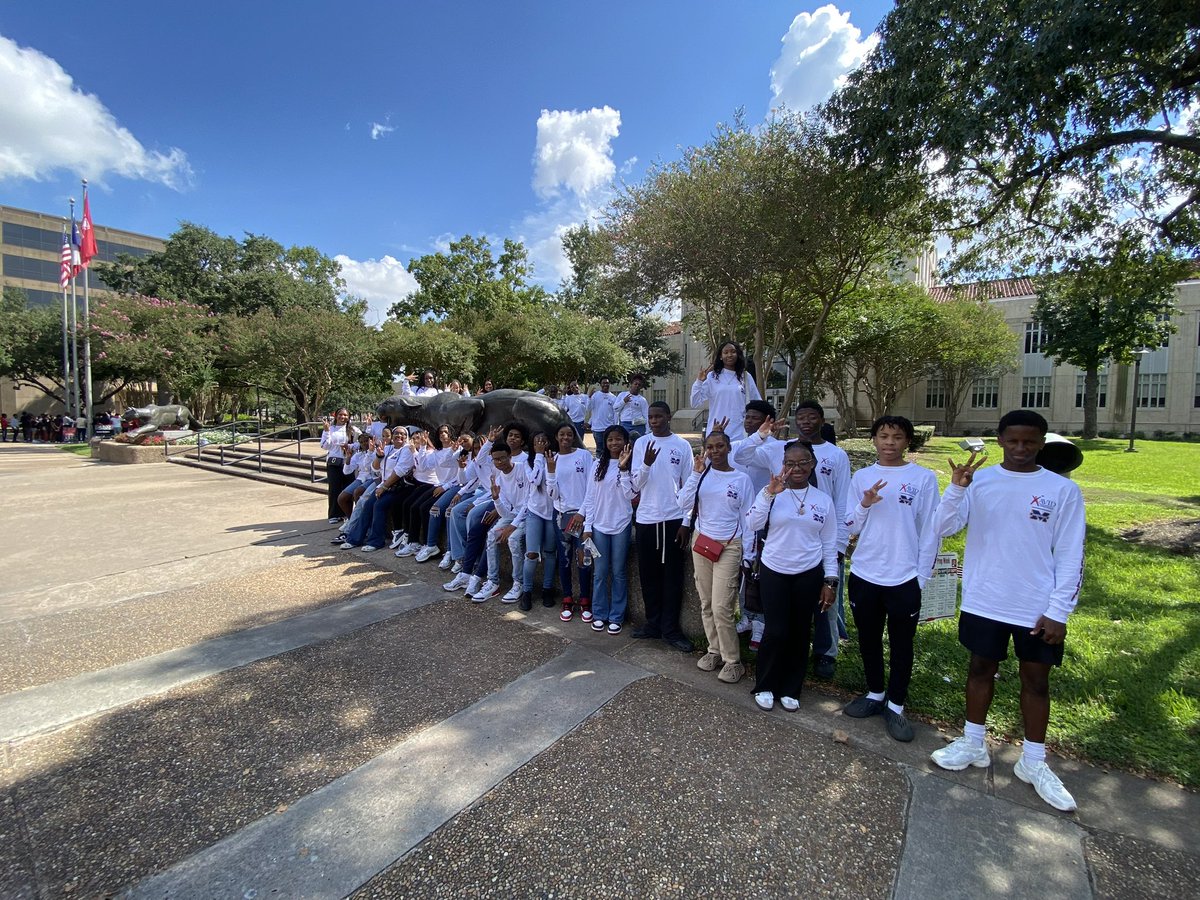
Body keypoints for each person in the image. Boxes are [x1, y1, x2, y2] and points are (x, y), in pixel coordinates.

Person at [930, 410, 1085, 813]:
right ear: (999, 440)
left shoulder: (1061, 490)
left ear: (1041, 442)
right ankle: (973, 742)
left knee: (1036, 683)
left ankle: (1033, 762)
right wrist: (957, 489)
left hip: (1036, 605)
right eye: (1013, 441)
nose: (1020, 449)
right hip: (986, 599)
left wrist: (1059, 611)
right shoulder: (980, 481)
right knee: (980, 669)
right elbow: (945, 527)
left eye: (1029, 442)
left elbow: (1071, 554)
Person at [842, 415, 941, 742]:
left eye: (896, 437)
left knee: (902, 643)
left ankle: (896, 704)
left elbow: (931, 530)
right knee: (868, 638)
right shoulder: (862, 476)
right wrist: (865, 504)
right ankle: (874, 693)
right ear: (873, 439)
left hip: (904, 576)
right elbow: (850, 525)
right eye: (883, 436)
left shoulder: (923, 479)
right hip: (865, 572)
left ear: (907, 441)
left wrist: (921, 577)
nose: (889, 442)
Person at [735, 400, 849, 678]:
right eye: (802, 417)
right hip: (783, 539)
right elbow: (740, 456)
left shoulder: (836, 455)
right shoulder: (777, 448)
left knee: (826, 603)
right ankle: (780, 655)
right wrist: (761, 434)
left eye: (812, 417)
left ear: (822, 420)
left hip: (821, 535)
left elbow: (842, 500)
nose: (806, 421)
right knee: (784, 609)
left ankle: (825, 652)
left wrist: (839, 545)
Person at [745, 441, 838, 711]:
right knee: (775, 630)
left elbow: (829, 544)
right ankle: (765, 684)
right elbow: (751, 523)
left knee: (799, 632)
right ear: (782, 465)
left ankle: (791, 688)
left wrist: (830, 581)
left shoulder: (823, 500)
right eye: (790, 463)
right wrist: (768, 494)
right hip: (775, 570)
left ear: (812, 465)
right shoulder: (773, 494)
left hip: (808, 573)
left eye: (802, 463)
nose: (796, 468)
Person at [678, 431, 754, 684]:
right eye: (710, 447)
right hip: (702, 541)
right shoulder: (702, 474)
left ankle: (733, 661)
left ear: (729, 447)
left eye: (720, 445)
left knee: (722, 607)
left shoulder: (742, 479)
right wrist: (696, 473)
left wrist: (749, 553)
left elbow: (748, 519)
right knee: (707, 602)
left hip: (729, 545)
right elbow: (683, 503)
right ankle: (714, 651)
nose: (715, 450)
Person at [630, 401, 694, 652]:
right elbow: (636, 484)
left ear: (668, 416)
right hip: (646, 519)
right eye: (650, 417)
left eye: (658, 416)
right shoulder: (640, 443)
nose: (654, 421)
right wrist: (646, 463)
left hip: (673, 520)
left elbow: (690, 486)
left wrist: (686, 522)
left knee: (672, 578)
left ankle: (671, 630)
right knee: (648, 577)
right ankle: (653, 624)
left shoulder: (682, 445)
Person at [580, 424, 637, 634]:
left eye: (618, 439)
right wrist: (587, 526)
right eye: (610, 439)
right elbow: (590, 498)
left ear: (625, 441)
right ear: (605, 442)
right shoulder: (597, 465)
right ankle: (600, 613)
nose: (614, 443)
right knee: (601, 572)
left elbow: (631, 496)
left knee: (619, 572)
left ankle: (616, 616)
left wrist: (623, 469)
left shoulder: (631, 465)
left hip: (621, 525)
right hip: (599, 527)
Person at [546, 423, 594, 622]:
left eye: (569, 434)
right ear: (556, 437)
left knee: (584, 560)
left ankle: (585, 600)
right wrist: (550, 472)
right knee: (564, 559)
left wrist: (584, 515)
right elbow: (552, 494)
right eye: (561, 435)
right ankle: (567, 598)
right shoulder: (553, 459)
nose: (565, 438)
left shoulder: (584, 456)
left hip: (582, 516)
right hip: (562, 517)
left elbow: (592, 488)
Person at [514, 432, 559, 610]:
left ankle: (547, 589)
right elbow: (535, 479)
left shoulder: (556, 459)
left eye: (544, 441)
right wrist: (539, 455)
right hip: (535, 512)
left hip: (552, 513)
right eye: (536, 443)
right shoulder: (528, 462)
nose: (541, 444)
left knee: (550, 552)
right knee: (531, 553)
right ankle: (527, 591)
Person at [690, 341, 762, 441]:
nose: (730, 355)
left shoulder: (745, 377)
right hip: (716, 432)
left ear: (737, 355)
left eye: (733, 352)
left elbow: (757, 403)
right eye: (726, 352)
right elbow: (695, 402)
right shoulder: (712, 377)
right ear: (720, 356)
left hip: (740, 433)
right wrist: (699, 381)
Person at [320, 408, 359, 524]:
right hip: (334, 462)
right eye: (340, 415)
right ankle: (334, 514)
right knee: (334, 488)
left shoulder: (353, 430)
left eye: (345, 415)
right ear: (336, 416)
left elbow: (362, 442)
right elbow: (324, 445)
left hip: (349, 462)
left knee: (348, 489)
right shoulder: (330, 429)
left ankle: (347, 514)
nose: (343, 417)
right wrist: (326, 432)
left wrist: (350, 446)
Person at [616, 375, 650, 443]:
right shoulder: (622, 395)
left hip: (638, 425)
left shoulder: (642, 400)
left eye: (639, 385)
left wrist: (647, 430)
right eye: (635, 384)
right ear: (631, 384)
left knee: (638, 444)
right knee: (626, 444)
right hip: (625, 424)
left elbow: (646, 415)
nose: (637, 386)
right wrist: (623, 401)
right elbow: (615, 408)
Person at [586, 378, 619, 448]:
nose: (605, 385)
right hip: (597, 429)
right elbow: (588, 408)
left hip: (609, 428)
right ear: (600, 385)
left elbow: (615, 414)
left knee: (609, 449)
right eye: (603, 383)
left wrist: (615, 426)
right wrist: (589, 397)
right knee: (599, 450)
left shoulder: (613, 397)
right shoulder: (595, 395)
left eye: (607, 383)